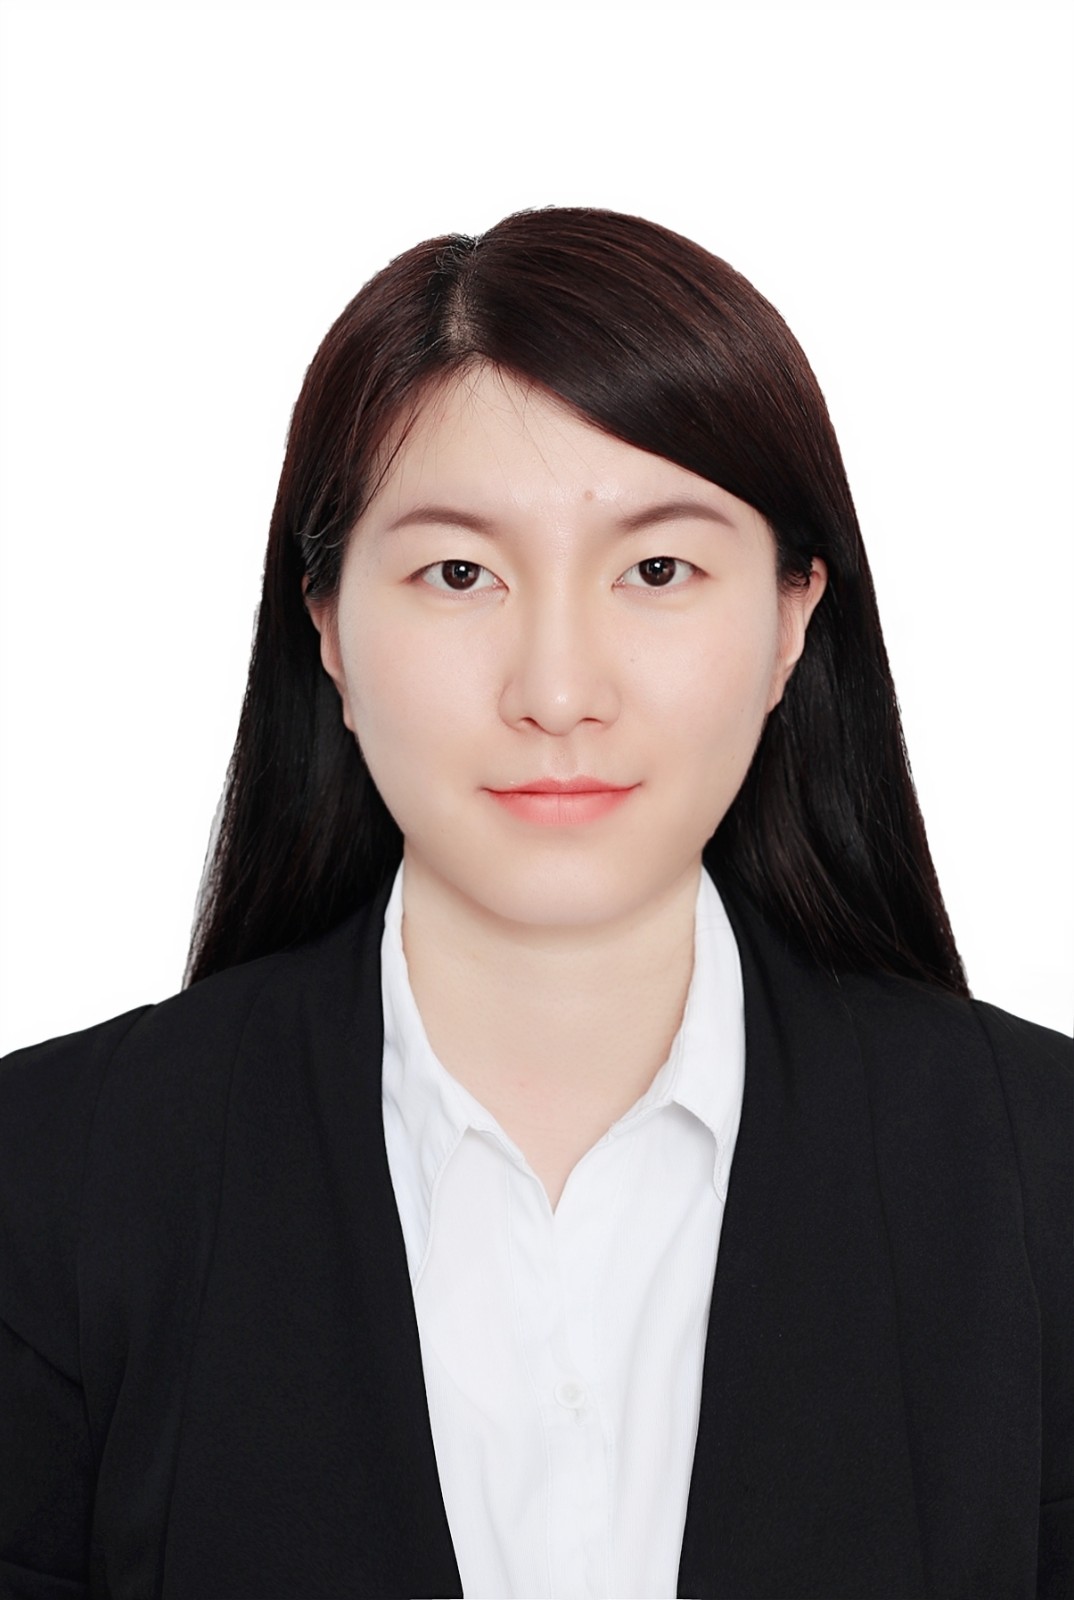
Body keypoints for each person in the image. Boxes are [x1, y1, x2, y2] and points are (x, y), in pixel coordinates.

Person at [0, 207, 1069, 1600]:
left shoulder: (1043, 1178)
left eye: (657, 570)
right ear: (326, 624)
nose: (557, 691)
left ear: (792, 617)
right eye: (459, 574)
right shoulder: (45, 1187)